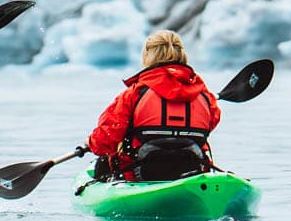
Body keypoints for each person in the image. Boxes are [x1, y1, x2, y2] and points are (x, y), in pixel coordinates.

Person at [86, 30, 223, 182]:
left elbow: (106, 139)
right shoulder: (204, 95)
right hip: (192, 169)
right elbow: (211, 122)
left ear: (148, 55)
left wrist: (90, 143)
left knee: (105, 160)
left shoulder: (134, 93)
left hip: (142, 173)